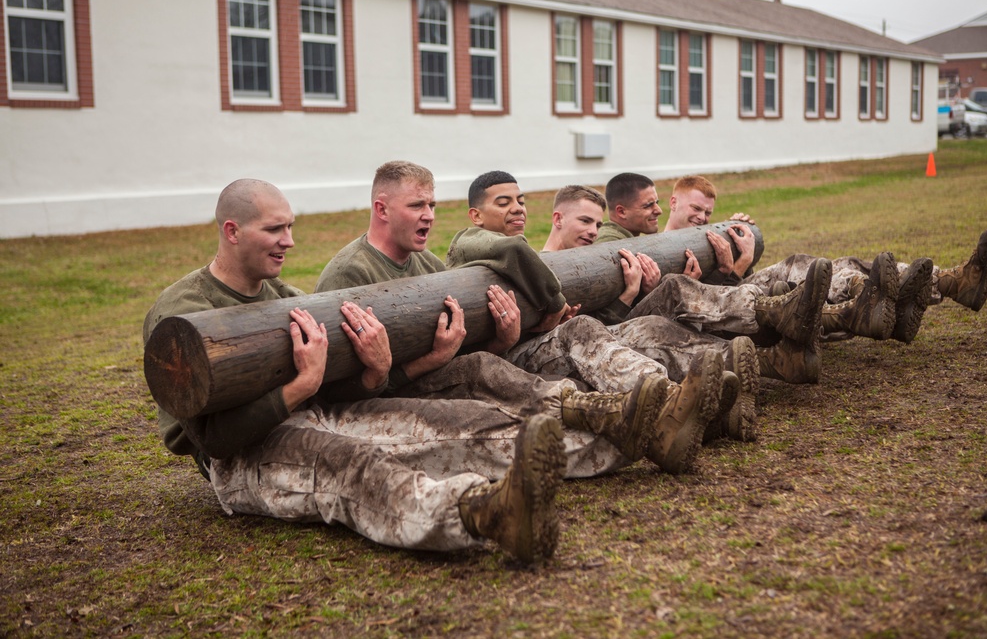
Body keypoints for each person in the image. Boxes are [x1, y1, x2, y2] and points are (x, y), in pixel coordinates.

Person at [143, 178, 570, 564]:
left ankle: (589, 440)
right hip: (237, 459)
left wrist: (373, 374)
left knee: (442, 423)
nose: (288, 241)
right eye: (274, 230)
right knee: (354, 463)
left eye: (290, 227)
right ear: (232, 231)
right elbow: (213, 442)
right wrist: (301, 386)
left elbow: (333, 392)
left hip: (313, 413)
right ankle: (486, 513)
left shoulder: (286, 297)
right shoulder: (184, 316)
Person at [314, 161, 685, 476]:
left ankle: (658, 417)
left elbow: (460, 338)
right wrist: (429, 361)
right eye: (417, 205)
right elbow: (336, 392)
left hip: (442, 373)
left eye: (432, 204)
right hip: (390, 398)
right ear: (382, 210)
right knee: (485, 389)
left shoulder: (428, 265)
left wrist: (501, 340)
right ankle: (631, 421)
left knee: (502, 363)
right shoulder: (349, 276)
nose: (429, 215)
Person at [447, 170, 737, 474]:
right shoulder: (471, 242)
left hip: (533, 353)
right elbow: (513, 260)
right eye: (504, 202)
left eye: (521, 201)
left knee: (630, 328)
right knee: (588, 334)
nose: (518, 208)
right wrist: (554, 310)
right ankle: (674, 404)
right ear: (475, 215)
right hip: (498, 368)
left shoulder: (540, 261)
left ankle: (691, 405)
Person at [662, 174, 987, 344]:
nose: (703, 218)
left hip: (742, 288)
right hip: (729, 318)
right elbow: (713, 305)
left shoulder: (707, 236)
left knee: (818, 264)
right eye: (696, 209)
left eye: (708, 212)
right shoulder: (653, 248)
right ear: (674, 202)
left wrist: (741, 254)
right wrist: (732, 269)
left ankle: (948, 282)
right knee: (795, 296)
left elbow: (731, 282)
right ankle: (873, 308)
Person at [544, 184, 760, 443]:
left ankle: (764, 320)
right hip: (582, 357)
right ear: (558, 219)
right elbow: (590, 334)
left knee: (667, 298)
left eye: (598, 225)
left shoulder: (594, 258)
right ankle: (699, 393)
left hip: (609, 343)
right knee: (654, 320)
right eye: (585, 221)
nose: (593, 231)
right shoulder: (543, 271)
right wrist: (627, 296)